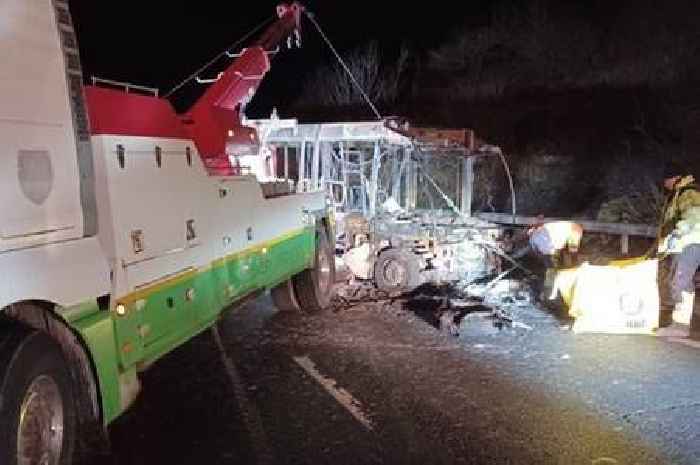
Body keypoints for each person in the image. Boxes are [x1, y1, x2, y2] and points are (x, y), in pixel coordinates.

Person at [656, 162, 700, 336]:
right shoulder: (678, 194)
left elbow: (694, 217)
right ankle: (678, 322)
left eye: (666, 180)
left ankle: (680, 326)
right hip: (684, 244)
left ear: (675, 178)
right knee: (678, 281)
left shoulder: (688, 193)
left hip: (690, 243)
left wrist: (678, 232)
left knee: (681, 282)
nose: (664, 184)